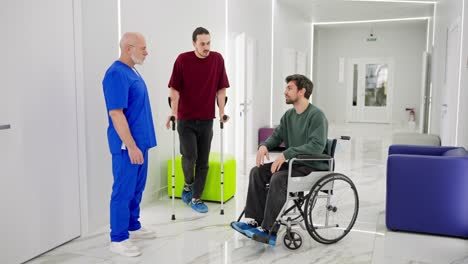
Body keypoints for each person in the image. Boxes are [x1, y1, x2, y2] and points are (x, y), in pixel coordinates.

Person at [231, 74, 328, 245]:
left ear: (301, 91)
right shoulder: (289, 116)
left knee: (278, 179)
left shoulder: (317, 116)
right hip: (293, 164)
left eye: (289, 88)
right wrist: (264, 145)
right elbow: (276, 136)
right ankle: (256, 221)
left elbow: (316, 146)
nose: (285, 92)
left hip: (311, 166)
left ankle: (269, 230)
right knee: (257, 172)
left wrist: (287, 154)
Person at [103, 32, 157, 257]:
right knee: (123, 191)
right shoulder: (116, 74)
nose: (147, 52)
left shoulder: (132, 71)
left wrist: (140, 145)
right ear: (128, 48)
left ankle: (133, 225)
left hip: (140, 143)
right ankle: (118, 238)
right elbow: (116, 114)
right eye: (143, 48)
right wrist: (132, 146)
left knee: (137, 188)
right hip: (128, 147)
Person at [166, 27, 230, 213]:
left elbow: (221, 89)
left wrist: (222, 111)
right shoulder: (183, 59)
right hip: (186, 119)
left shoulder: (217, 59)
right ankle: (188, 185)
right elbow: (174, 89)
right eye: (202, 43)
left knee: (203, 161)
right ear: (194, 43)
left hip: (206, 119)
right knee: (189, 156)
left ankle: (196, 198)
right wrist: (173, 112)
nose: (206, 47)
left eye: (209, 43)